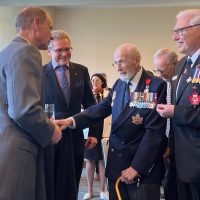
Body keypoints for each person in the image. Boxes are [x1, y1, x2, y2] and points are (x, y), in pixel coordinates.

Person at [56, 43, 167, 200]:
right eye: (116, 62)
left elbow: (154, 133)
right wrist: (71, 120)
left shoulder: (156, 85)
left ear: (137, 60)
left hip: (140, 167)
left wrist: (137, 167)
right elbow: (101, 108)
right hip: (117, 164)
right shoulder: (119, 83)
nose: (118, 67)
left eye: (122, 61)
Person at [0, 7, 62, 200]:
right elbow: (23, 110)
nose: (51, 35)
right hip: (19, 150)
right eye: (50, 28)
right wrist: (51, 130)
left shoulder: (6, 52)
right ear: (36, 23)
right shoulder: (27, 51)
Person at [43, 29, 97, 200]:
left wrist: (94, 133)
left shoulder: (81, 71)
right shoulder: (39, 73)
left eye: (67, 49)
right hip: (50, 138)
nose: (65, 54)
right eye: (59, 50)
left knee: (72, 185)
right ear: (49, 51)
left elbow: (91, 105)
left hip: (75, 137)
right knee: (51, 185)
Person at [156, 9, 200, 200]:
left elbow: (179, 109)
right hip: (179, 160)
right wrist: (169, 145)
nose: (175, 37)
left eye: (180, 31)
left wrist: (176, 112)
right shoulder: (182, 64)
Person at [153, 48, 179, 200]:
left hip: (180, 142)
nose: (160, 75)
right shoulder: (161, 84)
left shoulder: (182, 84)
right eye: (157, 70)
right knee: (168, 183)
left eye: (163, 70)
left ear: (174, 64)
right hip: (164, 141)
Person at [83, 73, 109, 200]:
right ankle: (89, 191)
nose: (94, 82)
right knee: (89, 160)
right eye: (92, 80)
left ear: (102, 82)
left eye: (97, 80)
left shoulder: (107, 94)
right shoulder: (88, 95)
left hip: (104, 130)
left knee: (102, 160)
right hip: (90, 130)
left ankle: (103, 190)